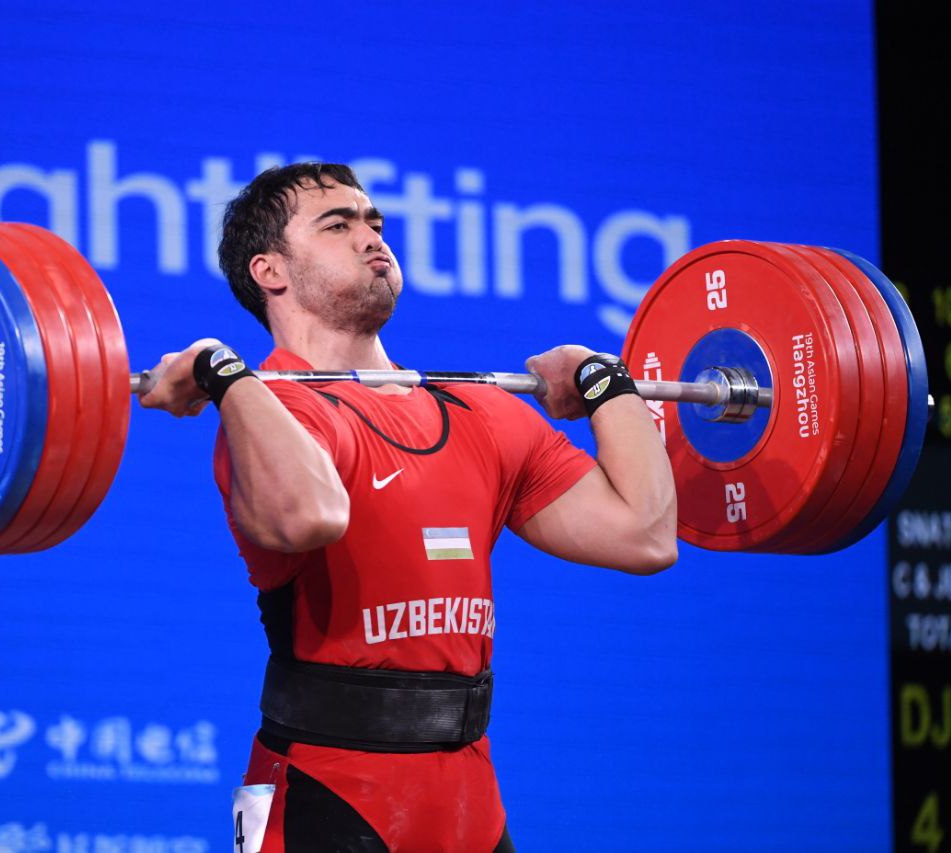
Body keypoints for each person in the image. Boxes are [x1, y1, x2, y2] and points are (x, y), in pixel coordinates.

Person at [137, 163, 677, 851]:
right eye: (337, 225)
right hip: (326, 789)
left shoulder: (484, 415)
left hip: (468, 795)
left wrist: (606, 382)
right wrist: (224, 370)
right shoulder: (273, 412)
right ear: (269, 271)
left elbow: (645, 534)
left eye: (374, 222)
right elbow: (308, 516)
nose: (371, 238)